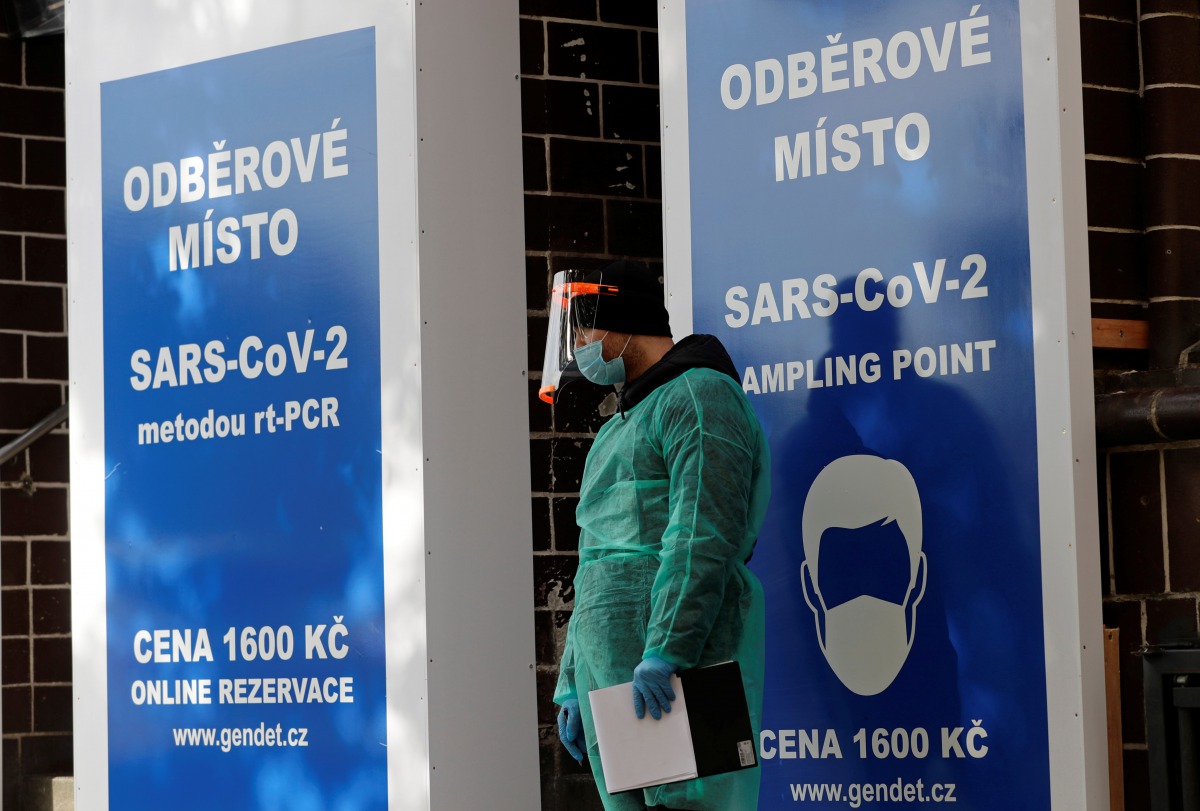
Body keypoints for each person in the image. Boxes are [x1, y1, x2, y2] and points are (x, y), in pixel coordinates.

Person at [541, 260, 770, 811]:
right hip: (614, 678)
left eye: (585, 328)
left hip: (681, 666)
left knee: (697, 804)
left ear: (624, 321)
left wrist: (669, 648)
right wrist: (573, 679)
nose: (578, 345)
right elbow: (593, 562)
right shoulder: (618, 428)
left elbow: (702, 533)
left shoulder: (699, 399)